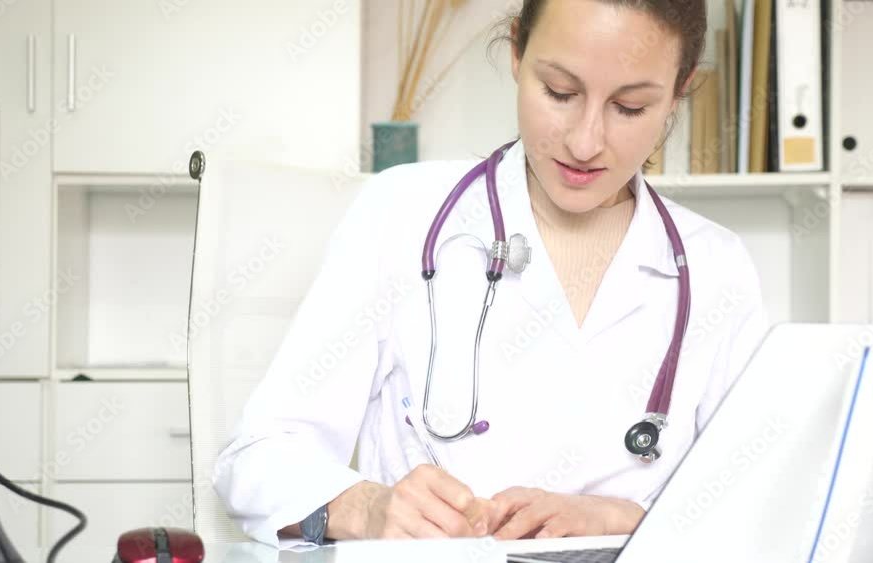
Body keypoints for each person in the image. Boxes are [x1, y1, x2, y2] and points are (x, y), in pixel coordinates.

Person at [214, 0, 769, 546]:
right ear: (516, 54)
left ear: (678, 92)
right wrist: (366, 507)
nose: (585, 142)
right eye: (560, 92)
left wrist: (628, 519)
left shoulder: (716, 266)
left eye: (629, 107)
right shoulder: (402, 213)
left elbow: (764, 502)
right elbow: (255, 458)